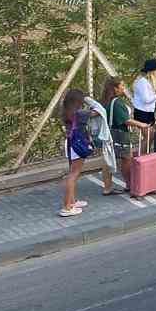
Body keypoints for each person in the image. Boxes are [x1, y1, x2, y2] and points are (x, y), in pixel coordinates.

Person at [59, 88, 93, 218]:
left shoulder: (66, 112)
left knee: (72, 173)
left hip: (70, 143)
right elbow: (97, 111)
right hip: (77, 144)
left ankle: (72, 202)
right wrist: (89, 100)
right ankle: (67, 207)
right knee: (73, 175)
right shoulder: (80, 114)